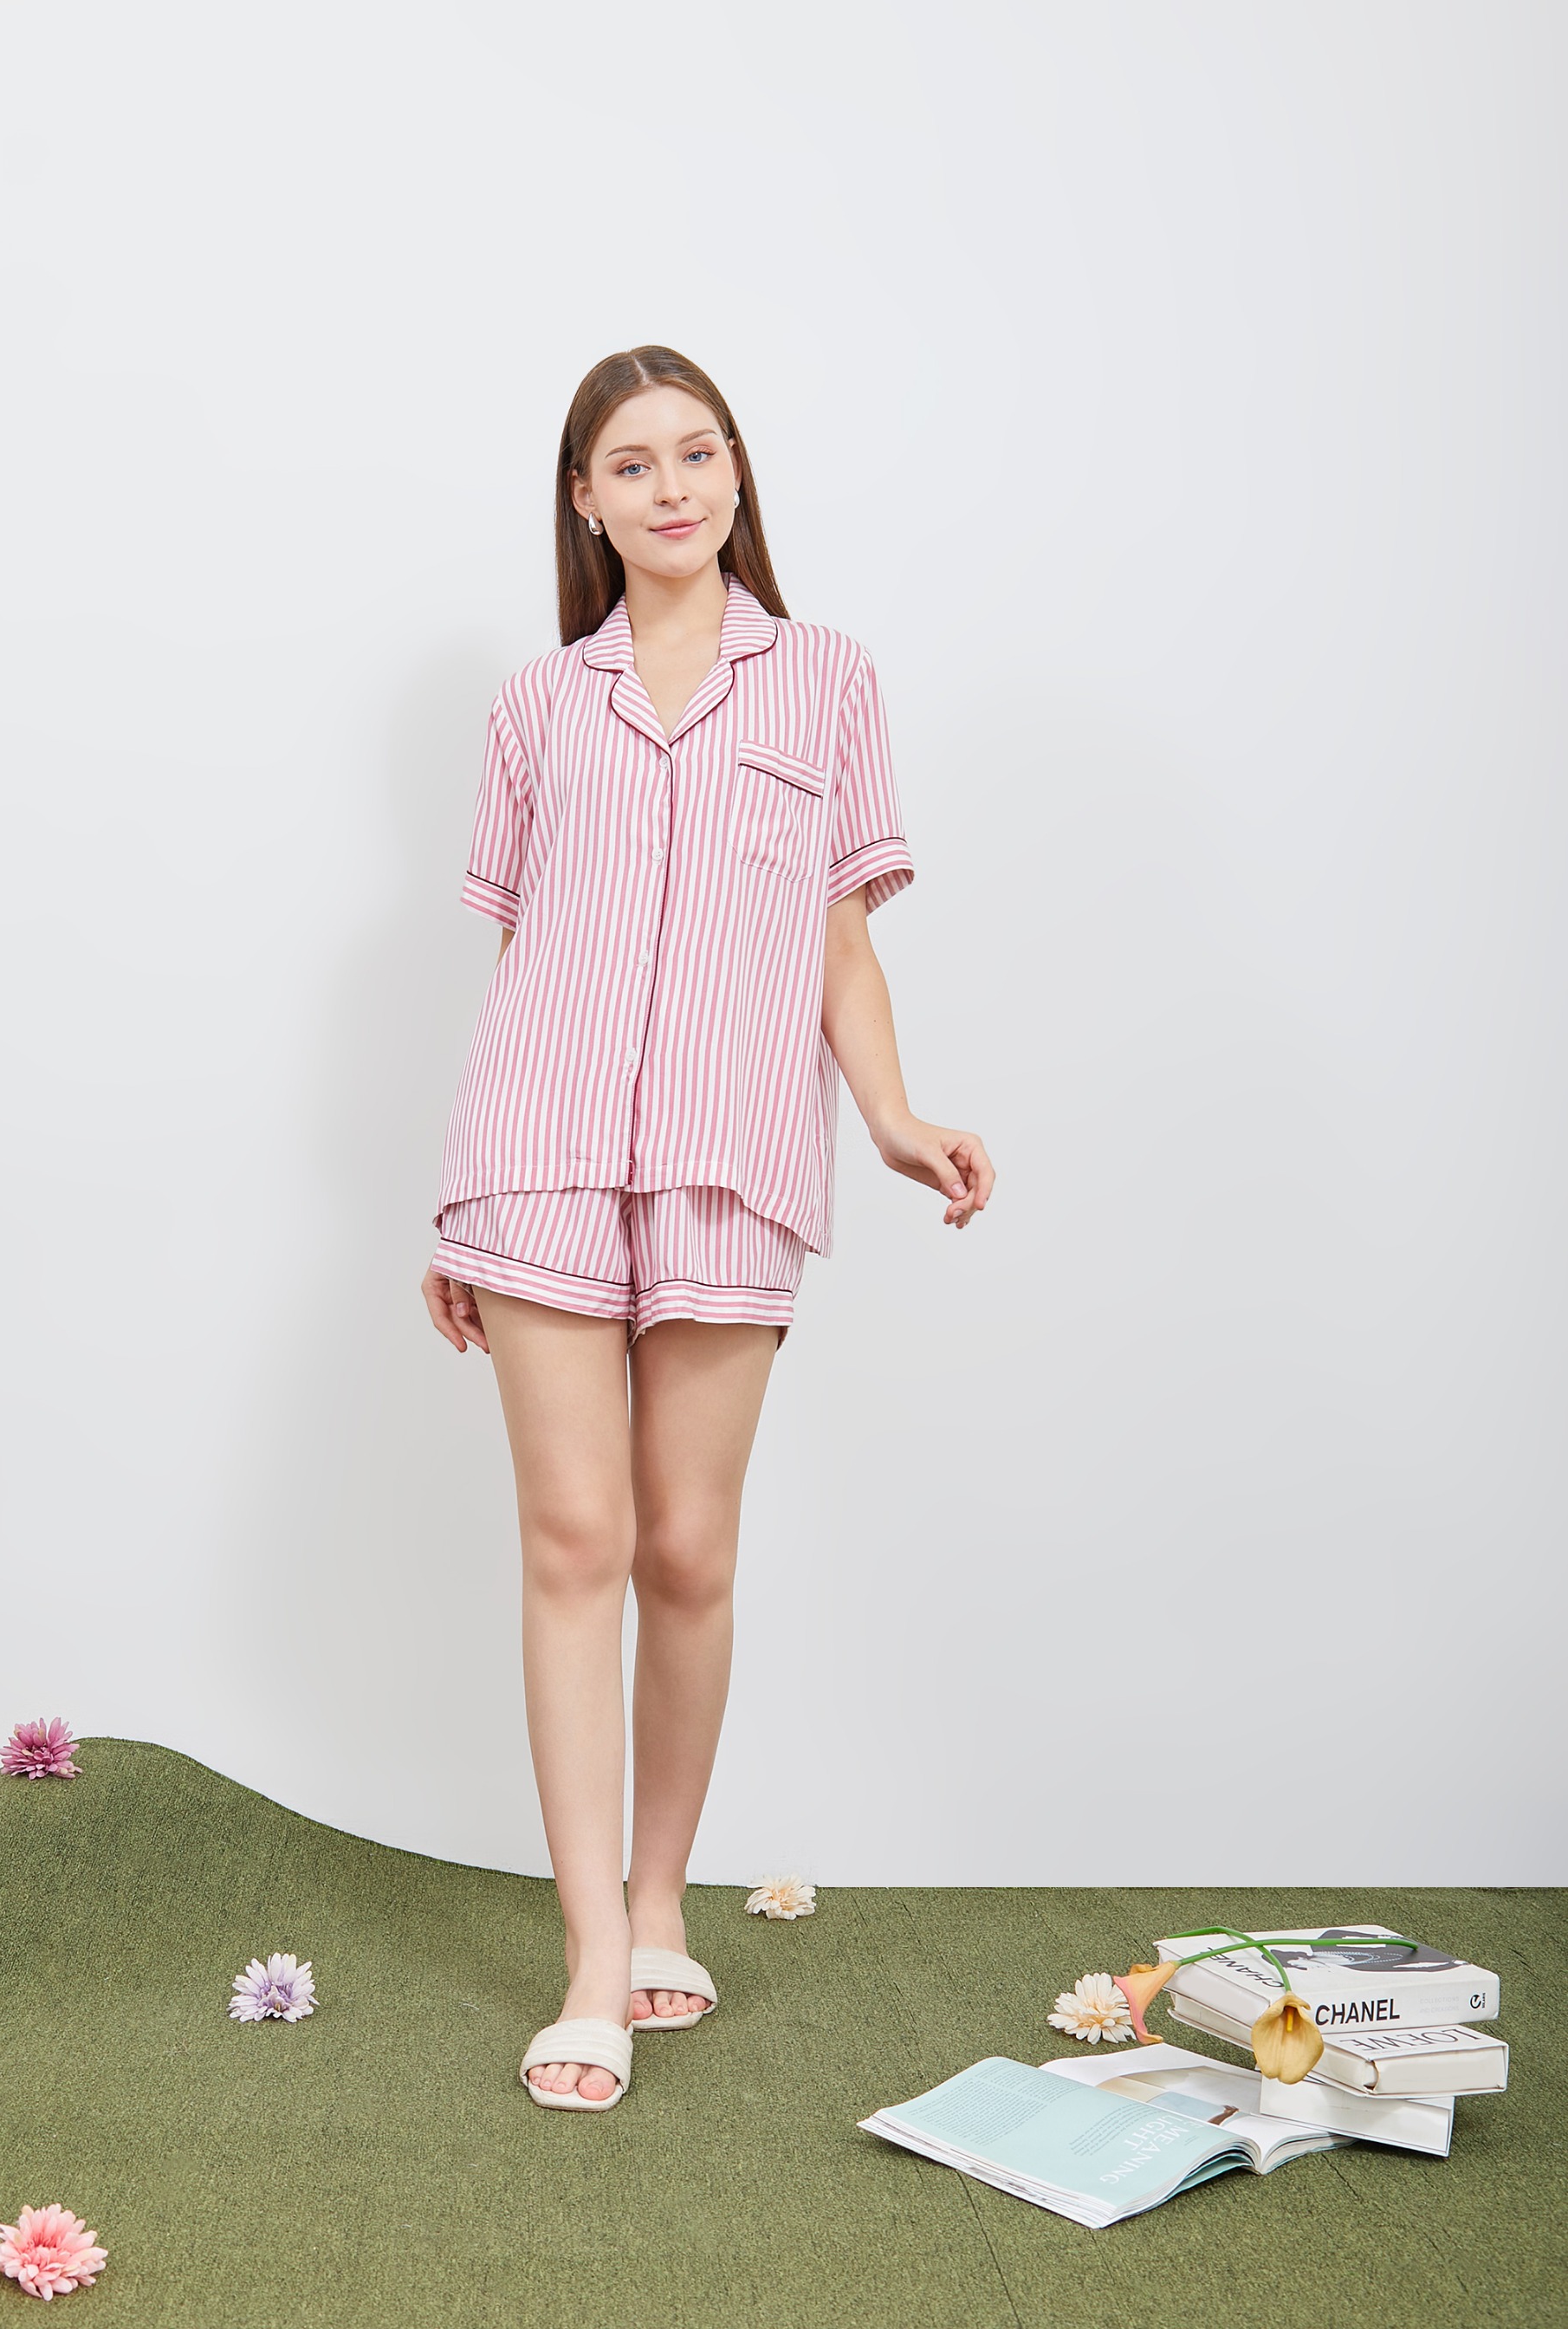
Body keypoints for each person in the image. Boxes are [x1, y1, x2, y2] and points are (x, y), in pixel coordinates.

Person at [421, 346, 995, 2112]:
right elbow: (524, 955)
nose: (669, 486)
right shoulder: (537, 706)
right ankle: (592, 1953)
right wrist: (458, 1204)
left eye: (696, 452)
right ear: (583, 501)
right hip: (535, 1151)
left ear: (736, 475)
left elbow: (839, 940)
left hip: (734, 1154)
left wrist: (891, 1115)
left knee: (684, 1549)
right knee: (572, 1539)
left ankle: (662, 1895)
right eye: (630, 463)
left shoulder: (825, 681)